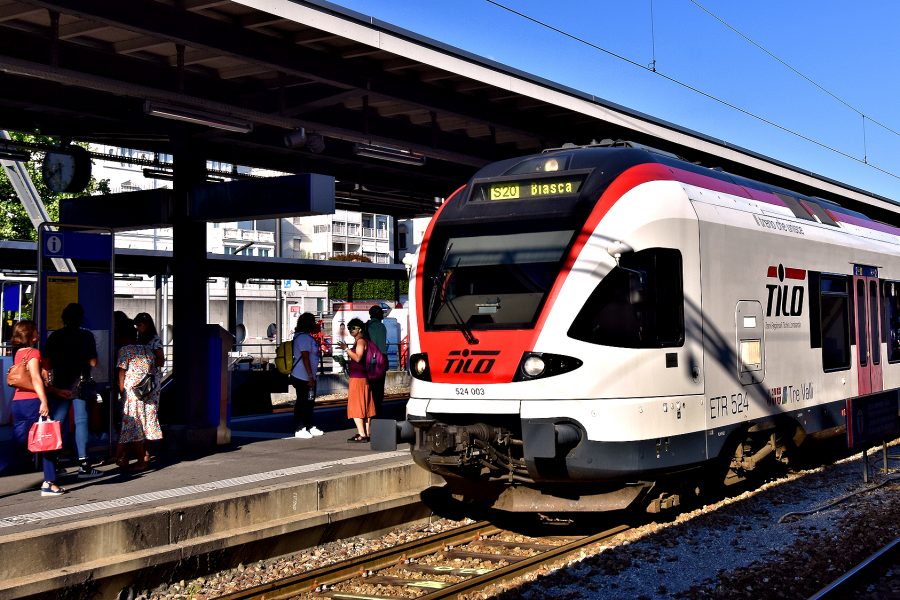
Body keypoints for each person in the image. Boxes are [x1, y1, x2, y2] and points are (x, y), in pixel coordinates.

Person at [43, 303, 102, 479]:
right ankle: (84, 465)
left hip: (59, 384)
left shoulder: (55, 336)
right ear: (81, 318)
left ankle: (55, 463)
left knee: (57, 423)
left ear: (63, 318)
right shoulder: (86, 336)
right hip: (79, 384)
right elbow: (93, 363)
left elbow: (47, 362)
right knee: (81, 421)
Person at [9, 320, 68, 496]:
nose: (38, 333)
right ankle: (49, 483)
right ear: (30, 334)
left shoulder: (18, 353)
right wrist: (44, 401)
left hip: (17, 402)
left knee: (19, 443)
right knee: (47, 441)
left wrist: (56, 391)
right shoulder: (34, 353)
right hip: (33, 402)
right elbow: (35, 378)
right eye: (35, 330)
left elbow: (26, 380)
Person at [114, 324, 163, 471]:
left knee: (133, 427)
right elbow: (154, 368)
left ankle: (141, 460)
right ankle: (126, 457)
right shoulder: (147, 349)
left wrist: (121, 390)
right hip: (148, 393)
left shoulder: (125, 350)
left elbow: (121, 372)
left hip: (132, 395)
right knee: (143, 424)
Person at [338, 318, 375, 442]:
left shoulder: (360, 342)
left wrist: (346, 349)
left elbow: (358, 358)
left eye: (353, 328)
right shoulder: (362, 341)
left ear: (359, 329)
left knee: (356, 406)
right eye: (349, 328)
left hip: (358, 378)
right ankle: (366, 433)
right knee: (365, 406)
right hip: (362, 377)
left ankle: (362, 434)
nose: (350, 330)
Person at [290, 312, 323, 439]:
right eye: (312, 322)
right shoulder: (303, 338)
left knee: (309, 401)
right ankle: (299, 427)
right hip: (302, 376)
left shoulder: (304, 336)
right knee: (302, 402)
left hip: (307, 376)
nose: (315, 324)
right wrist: (310, 376)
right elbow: (305, 358)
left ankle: (309, 425)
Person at [365, 305, 388, 416]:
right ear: (379, 314)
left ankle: (369, 411)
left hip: (366, 362)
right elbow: (382, 347)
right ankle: (377, 412)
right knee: (378, 390)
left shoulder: (365, 326)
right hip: (378, 362)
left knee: (369, 388)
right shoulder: (381, 327)